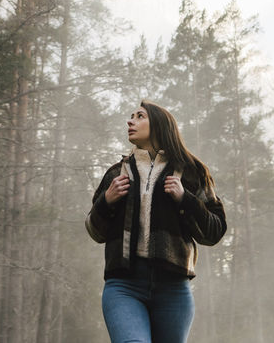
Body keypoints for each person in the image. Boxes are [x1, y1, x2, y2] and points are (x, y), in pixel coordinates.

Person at [85, 100, 227, 343]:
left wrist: (186, 199)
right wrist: (106, 201)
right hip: (123, 286)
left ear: (160, 125)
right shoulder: (115, 174)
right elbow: (94, 231)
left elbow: (214, 231)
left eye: (140, 116)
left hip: (173, 289)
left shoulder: (192, 173)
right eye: (131, 116)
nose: (130, 121)